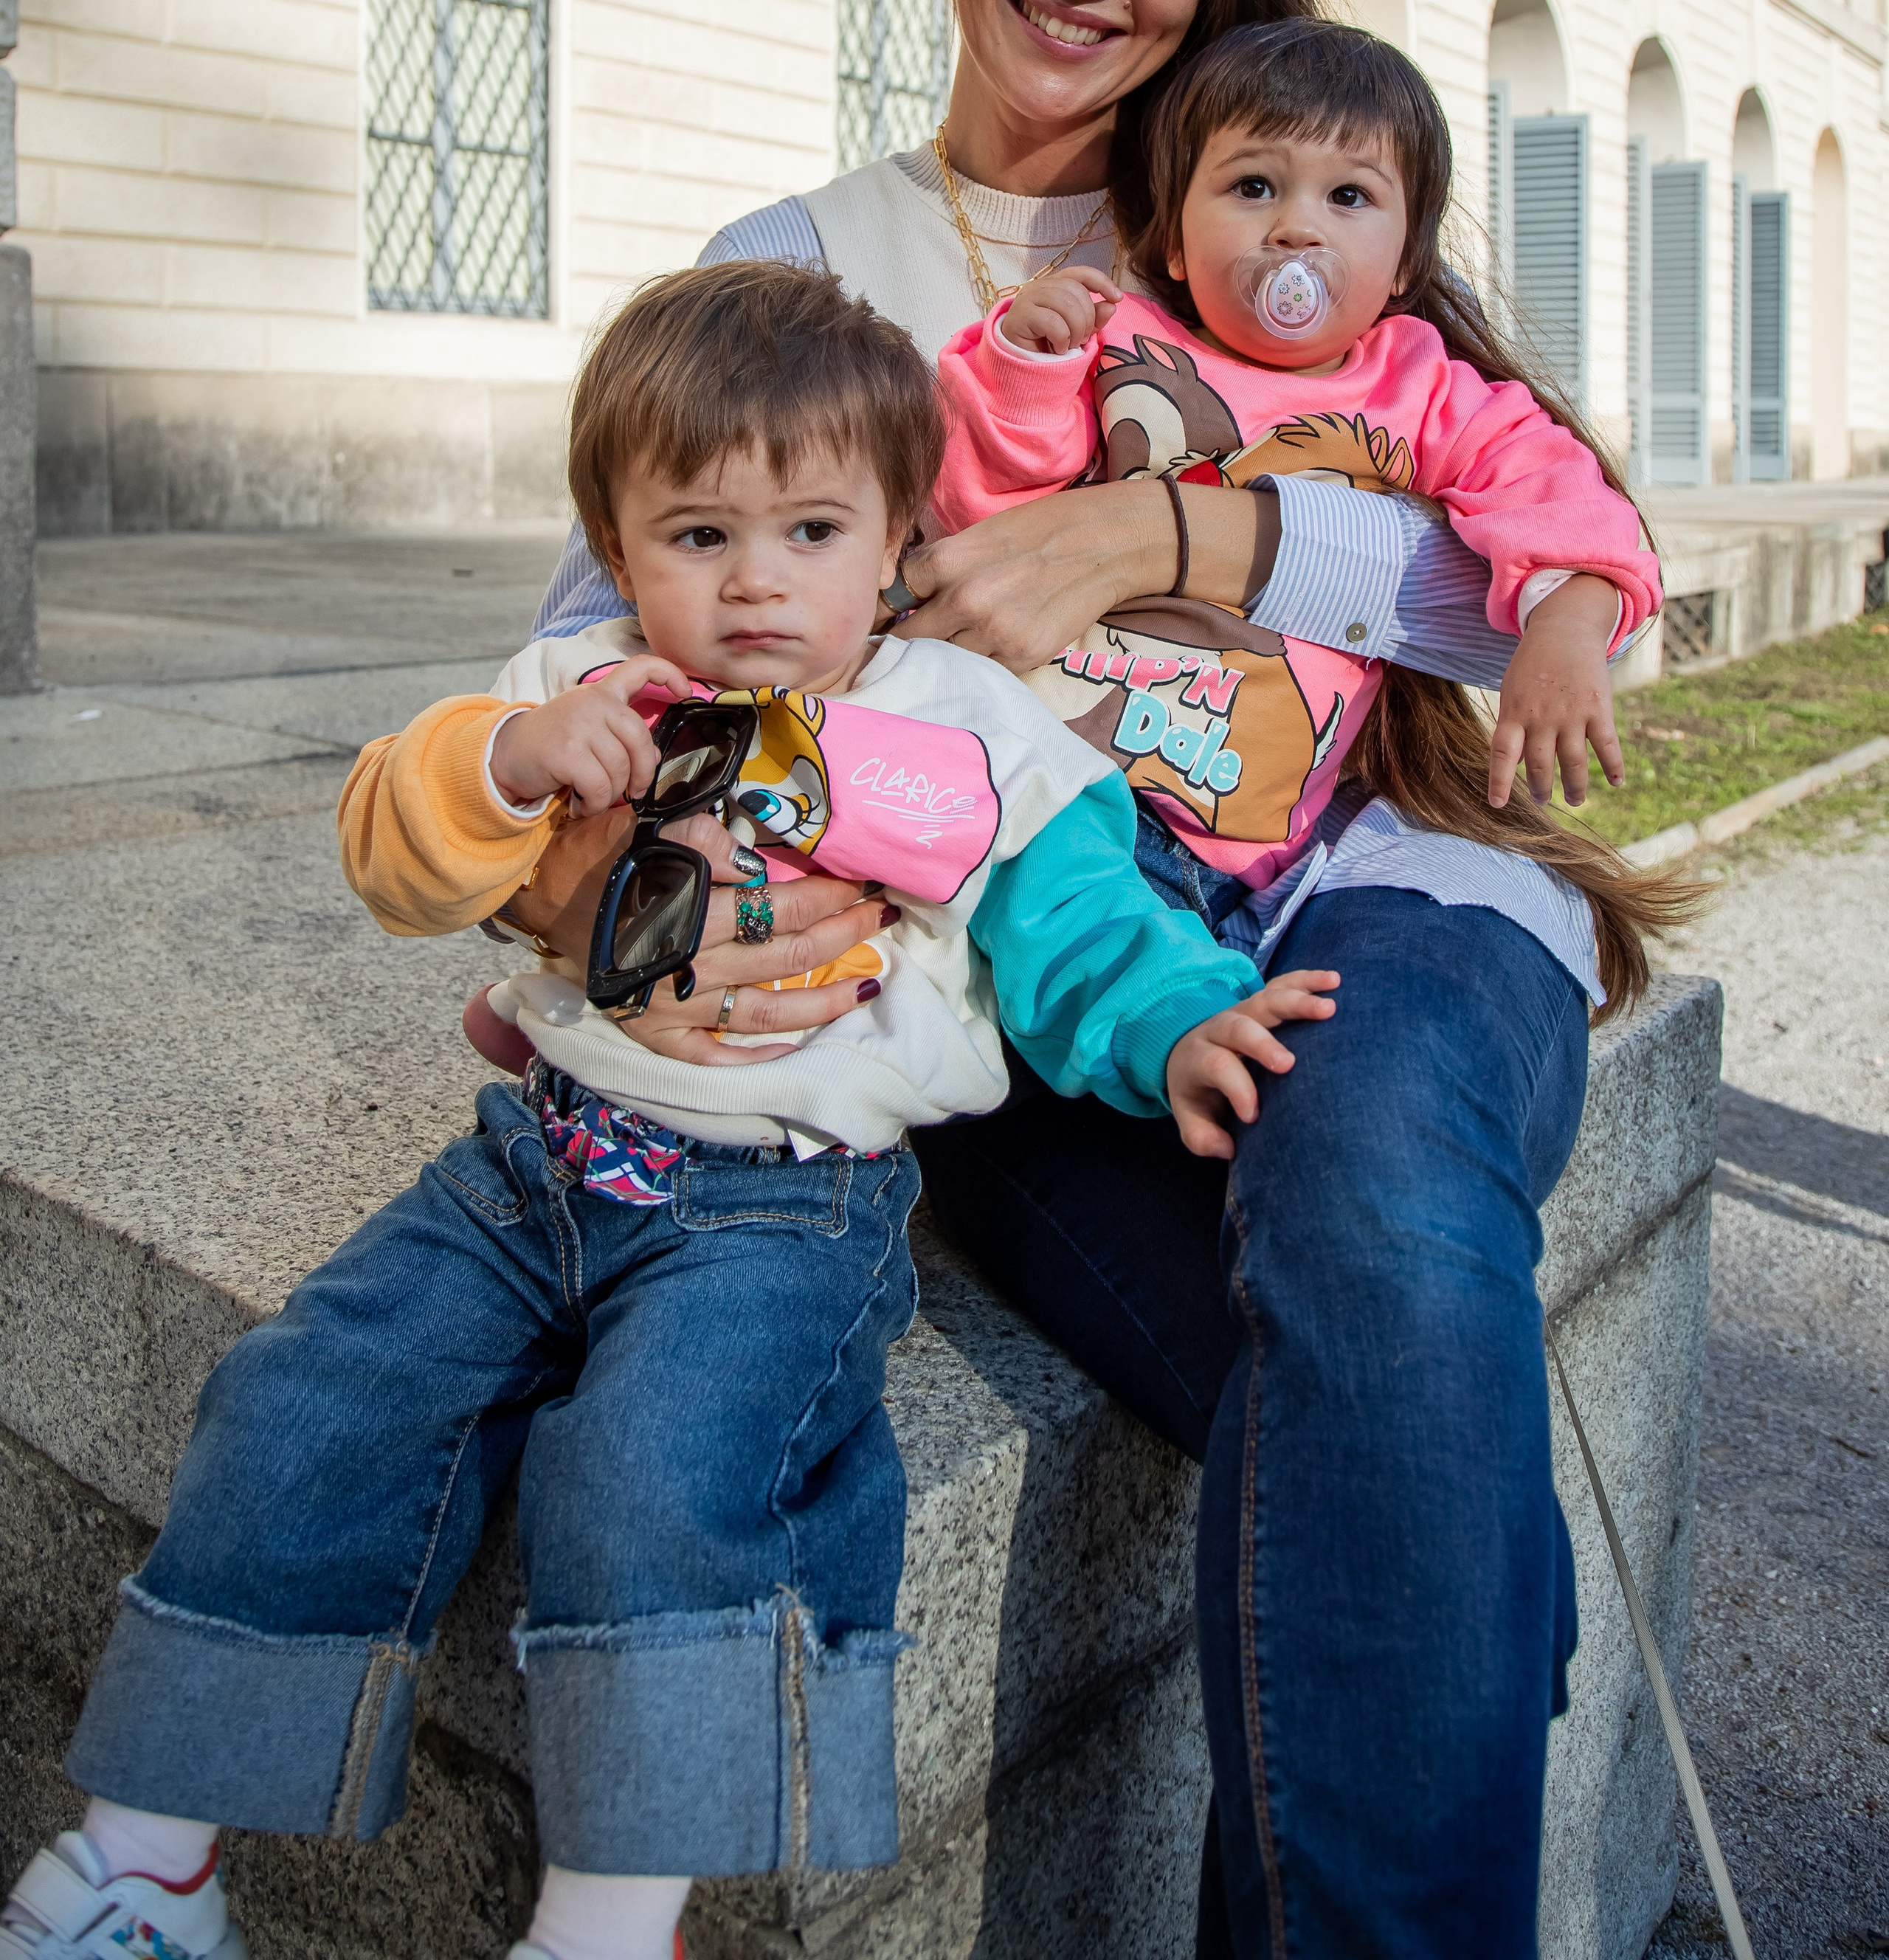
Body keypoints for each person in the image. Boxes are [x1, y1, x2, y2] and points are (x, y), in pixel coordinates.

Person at [507, 0, 1688, 1956]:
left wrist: (1178, 543)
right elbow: (583, 640)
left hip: (1392, 871)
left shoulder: (1282, 194)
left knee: (1379, 1208)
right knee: (1389, 1405)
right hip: (1046, 928)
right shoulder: (815, 259)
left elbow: (1529, 577)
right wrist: (590, 902)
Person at [1, 263, 1337, 1960]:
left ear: (895, 536)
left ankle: (612, 1926)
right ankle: (142, 1866)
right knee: (309, 1392)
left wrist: (1178, 1028)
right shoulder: (582, 681)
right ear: (618, 544)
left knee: (656, 1475)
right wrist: (503, 765)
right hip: (535, 1164)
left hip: (783, 1208)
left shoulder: (961, 721)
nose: (756, 583)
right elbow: (392, 842)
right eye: (698, 536)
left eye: (811, 533)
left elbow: (1077, 924)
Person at [932, 14, 1662, 973]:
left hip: (1244, 851)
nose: (1296, 226)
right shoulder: (1120, 344)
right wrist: (1025, 365)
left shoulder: (1423, 387)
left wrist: (1568, 618)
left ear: (1406, 263)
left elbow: (1562, 495)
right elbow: (987, 509)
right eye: (1253, 186)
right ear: (1178, 240)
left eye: (1349, 194)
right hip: (1052, 786)